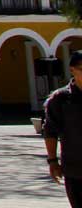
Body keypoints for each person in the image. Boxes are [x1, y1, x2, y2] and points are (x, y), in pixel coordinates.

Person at [43, 50, 82, 205]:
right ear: (72, 69)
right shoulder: (61, 99)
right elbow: (50, 131)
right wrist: (53, 161)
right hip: (76, 170)